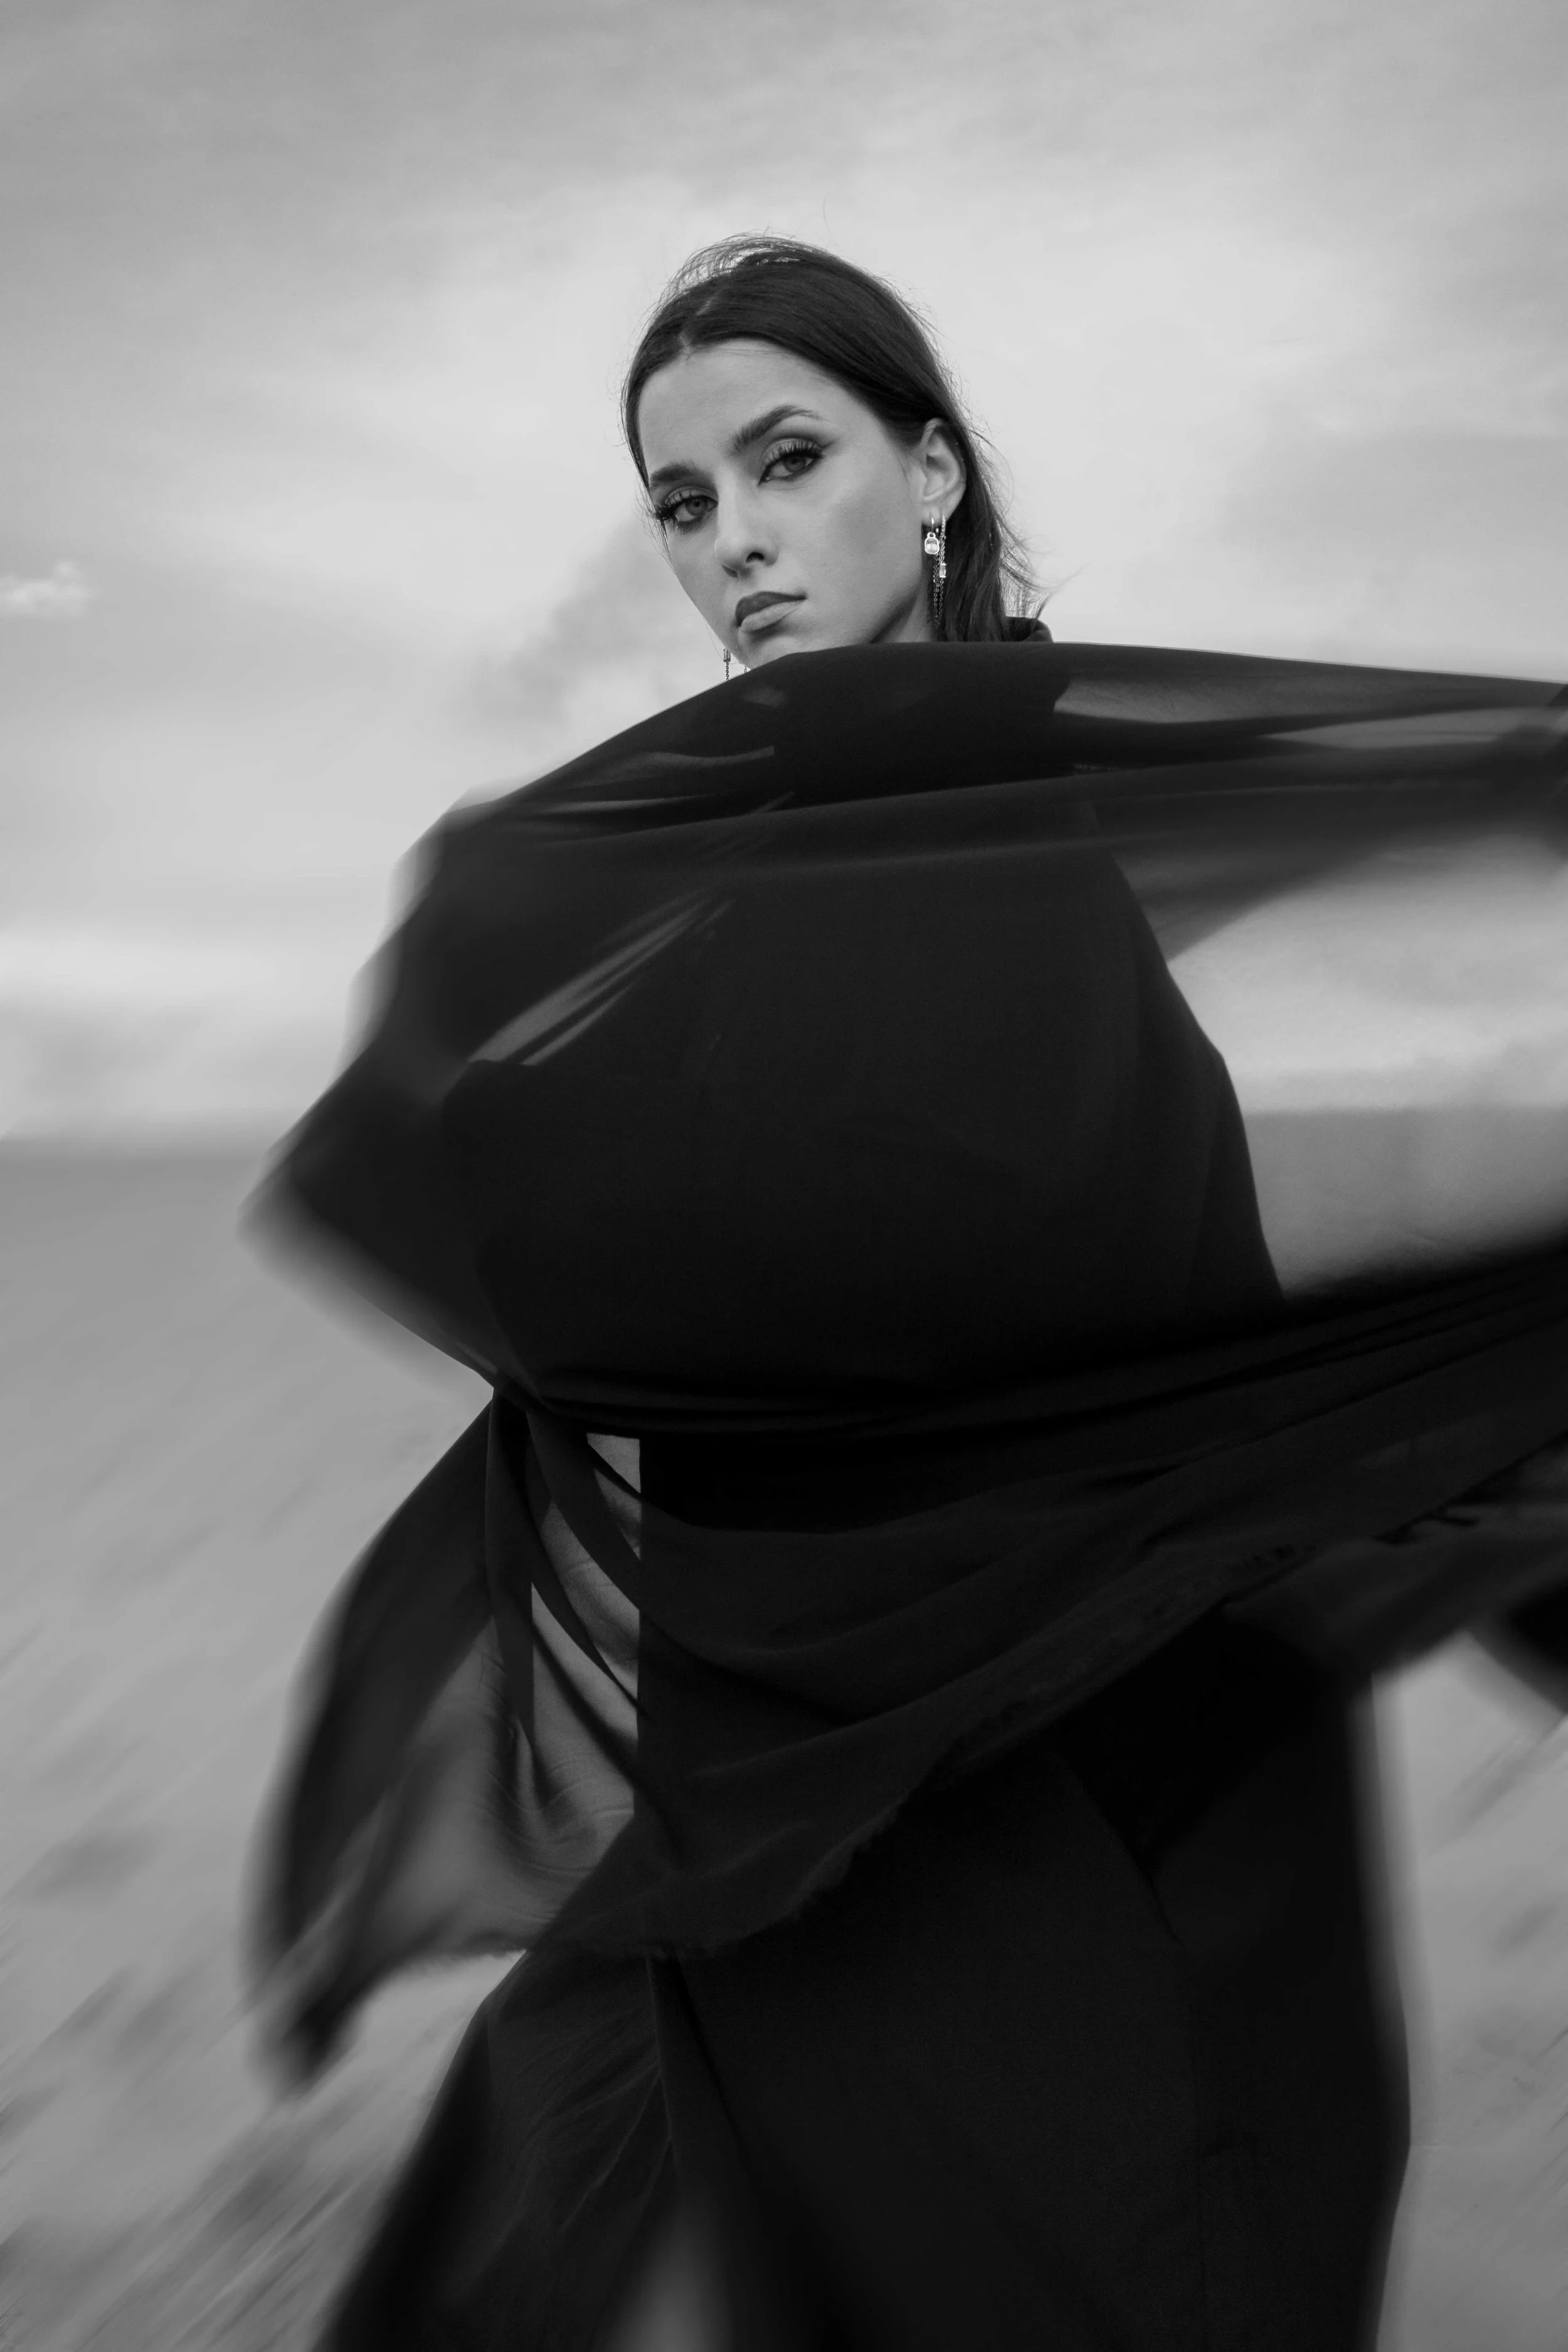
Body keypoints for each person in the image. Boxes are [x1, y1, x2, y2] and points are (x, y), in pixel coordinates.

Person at [252, 236, 1568, 2351]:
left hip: (1071, 1807)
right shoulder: (773, 861)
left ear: (930, 474)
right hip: (829, 1794)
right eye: (685, 506)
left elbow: (1016, 1275)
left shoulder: (989, 846)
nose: (738, 545)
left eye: (788, 462)